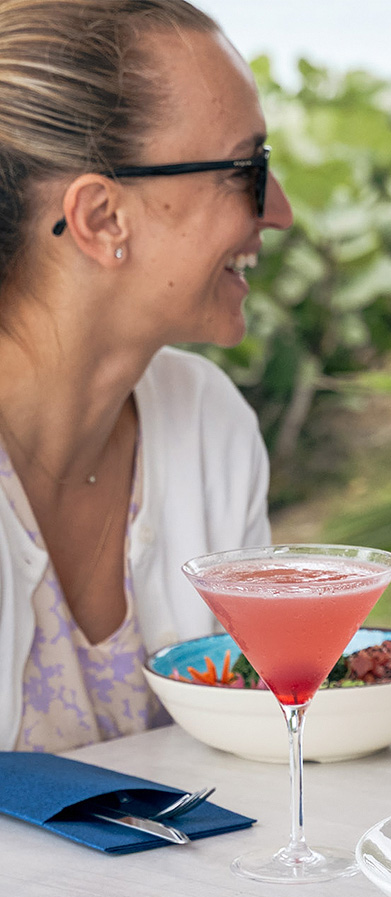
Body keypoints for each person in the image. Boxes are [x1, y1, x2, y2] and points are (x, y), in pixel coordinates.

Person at [0, 0, 293, 752]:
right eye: (246, 169)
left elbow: (259, 743)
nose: (281, 211)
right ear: (101, 219)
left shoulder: (204, 423)